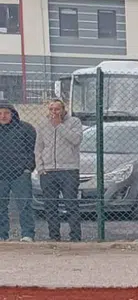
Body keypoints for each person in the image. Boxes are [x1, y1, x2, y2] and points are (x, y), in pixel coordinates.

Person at [34, 100, 82, 242]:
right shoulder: (43, 124)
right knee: (50, 206)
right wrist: (40, 167)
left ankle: (75, 237)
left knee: (71, 204)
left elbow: (76, 140)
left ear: (63, 110)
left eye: (57, 109)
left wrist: (59, 125)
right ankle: (54, 236)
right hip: (48, 171)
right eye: (51, 109)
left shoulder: (74, 122)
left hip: (68, 170)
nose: (54, 112)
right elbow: (39, 147)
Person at [0, 102, 37, 242]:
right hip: (0, 175)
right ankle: (2, 235)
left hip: (20, 174)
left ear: (13, 114)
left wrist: (27, 169)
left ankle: (27, 234)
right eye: (0, 113)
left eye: (6, 113)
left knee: (25, 205)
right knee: (1, 207)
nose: (3, 116)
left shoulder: (26, 128)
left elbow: (32, 150)